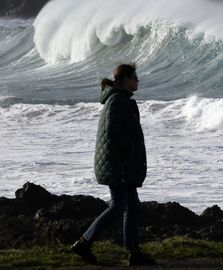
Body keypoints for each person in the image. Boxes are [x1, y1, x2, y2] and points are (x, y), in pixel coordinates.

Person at [71, 64, 155, 265]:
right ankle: (83, 243)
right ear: (124, 79)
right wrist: (130, 149)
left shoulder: (121, 99)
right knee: (118, 207)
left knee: (132, 207)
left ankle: (134, 253)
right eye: (134, 77)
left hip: (121, 162)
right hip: (118, 163)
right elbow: (112, 131)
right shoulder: (117, 100)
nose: (138, 80)